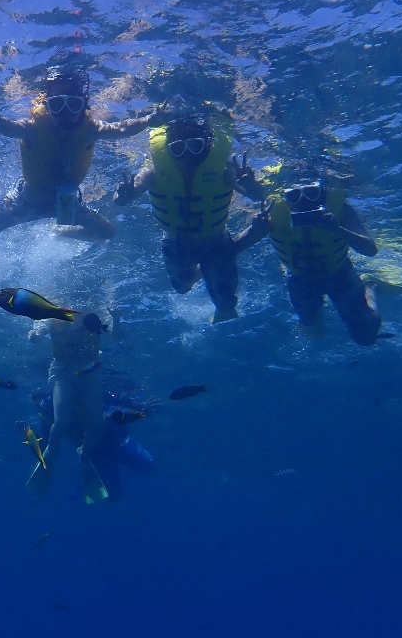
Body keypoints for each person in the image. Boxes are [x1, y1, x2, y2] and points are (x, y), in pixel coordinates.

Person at [0, 65, 169, 275]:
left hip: (68, 204)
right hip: (26, 201)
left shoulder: (92, 128)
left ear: (83, 106)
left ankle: (60, 232)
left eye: (74, 105)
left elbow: (122, 129)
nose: (66, 113)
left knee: (107, 233)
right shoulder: (35, 127)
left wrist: (149, 119)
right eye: (58, 105)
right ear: (48, 105)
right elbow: (10, 128)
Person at [112, 112, 271, 323]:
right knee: (181, 288)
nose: (187, 156)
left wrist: (250, 183)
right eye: (178, 149)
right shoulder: (152, 172)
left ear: (206, 147)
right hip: (176, 243)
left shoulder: (226, 170)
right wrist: (124, 194)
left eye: (195, 147)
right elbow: (119, 200)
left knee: (226, 303)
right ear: (168, 151)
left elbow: (258, 196)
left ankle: (217, 261)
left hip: (215, 240)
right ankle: (210, 266)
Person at [259, 178, 382, 345]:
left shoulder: (341, 211)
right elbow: (239, 245)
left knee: (366, 337)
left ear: (323, 195)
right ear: (287, 201)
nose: (304, 203)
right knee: (313, 333)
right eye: (294, 196)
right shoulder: (271, 215)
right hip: (300, 278)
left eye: (312, 194)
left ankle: (369, 286)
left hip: (340, 273)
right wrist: (255, 227)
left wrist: (337, 229)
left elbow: (370, 250)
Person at [24, 306, 120, 504]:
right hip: (62, 371)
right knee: (62, 421)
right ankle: (52, 449)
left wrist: (116, 317)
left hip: (91, 371)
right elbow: (39, 329)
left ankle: (83, 455)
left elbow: (114, 333)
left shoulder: (99, 308)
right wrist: (35, 334)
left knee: (96, 423)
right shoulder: (52, 308)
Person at [27, 386, 155, 502]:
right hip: (97, 455)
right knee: (114, 496)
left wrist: (141, 406)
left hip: (117, 440)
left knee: (148, 465)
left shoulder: (79, 393)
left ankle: (84, 487)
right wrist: (29, 434)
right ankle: (83, 488)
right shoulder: (48, 417)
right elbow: (45, 447)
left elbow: (111, 397)